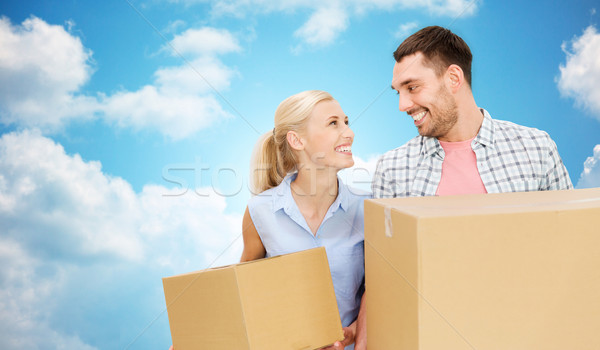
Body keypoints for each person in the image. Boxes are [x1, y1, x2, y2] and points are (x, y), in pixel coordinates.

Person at [372, 25, 573, 198]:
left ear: (453, 78)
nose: (402, 105)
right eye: (398, 92)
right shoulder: (391, 169)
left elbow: (571, 230)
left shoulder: (537, 149)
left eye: (412, 87)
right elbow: (384, 243)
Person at [241, 90, 369, 350]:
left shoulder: (370, 208)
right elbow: (243, 294)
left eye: (346, 122)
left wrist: (355, 331)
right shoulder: (259, 211)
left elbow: (383, 289)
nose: (348, 132)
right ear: (296, 140)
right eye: (333, 123)